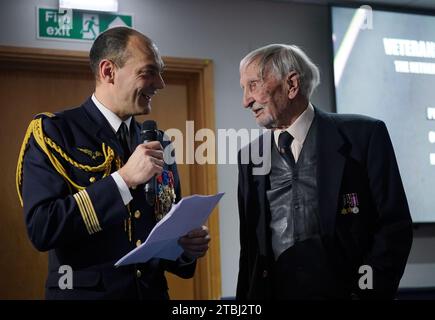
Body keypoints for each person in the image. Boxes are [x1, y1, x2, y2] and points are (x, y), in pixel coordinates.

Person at [16, 26, 210, 299]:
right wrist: (124, 180)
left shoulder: (159, 142)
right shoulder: (54, 132)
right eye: (148, 72)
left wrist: (185, 248)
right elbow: (42, 229)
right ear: (108, 71)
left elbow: (162, 231)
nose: (160, 83)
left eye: (160, 72)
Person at [236, 44, 413, 300]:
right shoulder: (250, 157)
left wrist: (367, 293)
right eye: (243, 88)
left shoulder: (364, 136)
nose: (245, 101)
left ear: (292, 84)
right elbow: (250, 249)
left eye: (253, 85)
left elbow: (393, 226)